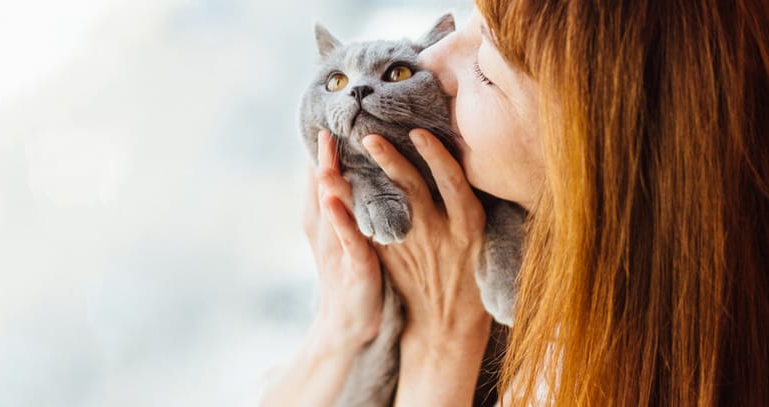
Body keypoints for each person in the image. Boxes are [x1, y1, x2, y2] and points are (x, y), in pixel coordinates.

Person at [263, 0, 769, 405]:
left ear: (591, 151)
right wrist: (342, 323)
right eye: (475, 18)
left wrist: (445, 332)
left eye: (488, 64)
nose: (430, 60)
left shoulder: (576, 367)